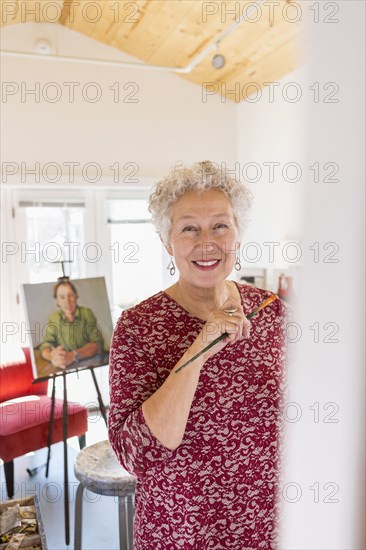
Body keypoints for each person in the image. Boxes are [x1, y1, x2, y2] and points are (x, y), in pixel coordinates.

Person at [108, 161, 289, 549]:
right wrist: (200, 347)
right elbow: (134, 454)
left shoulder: (271, 309)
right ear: (166, 241)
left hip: (268, 522)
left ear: (238, 234)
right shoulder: (138, 327)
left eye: (220, 225)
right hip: (182, 527)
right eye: (189, 228)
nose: (207, 242)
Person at [40, 280, 104, 371]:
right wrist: (53, 357)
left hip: (87, 362)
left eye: (70, 295)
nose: (67, 301)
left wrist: (72, 355)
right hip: (63, 365)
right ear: (57, 301)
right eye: (62, 297)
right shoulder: (53, 318)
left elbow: (96, 343)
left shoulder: (86, 313)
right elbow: (45, 345)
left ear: (76, 297)